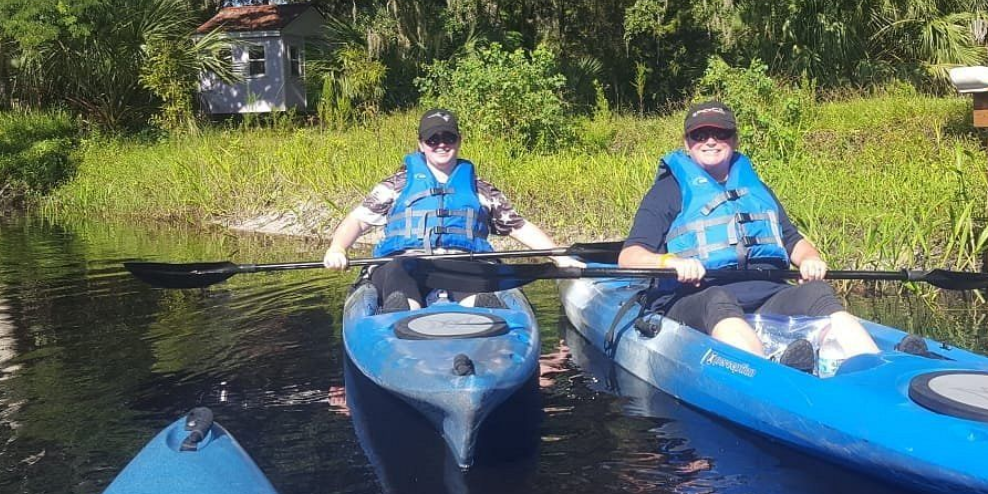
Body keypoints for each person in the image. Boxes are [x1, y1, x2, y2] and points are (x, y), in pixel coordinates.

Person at [618, 100, 880, 373]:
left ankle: (872, 370)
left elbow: (791, 239)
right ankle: (768, 374)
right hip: (698, 299)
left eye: (721, 134)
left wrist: (809, 258)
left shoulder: (755, 189)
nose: (710, 141)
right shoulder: (668, 191)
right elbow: (630, 255)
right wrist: (669, 263)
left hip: (767, 296)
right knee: (717, 299)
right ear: (687, 143)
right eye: (700, 135)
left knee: (817, 292)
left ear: (735, 140)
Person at [323, 108, 568, 311]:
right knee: (399, 271)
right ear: (421, 144)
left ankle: (484, 315)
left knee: (476, 280)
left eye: (448, 138)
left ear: (459, 141)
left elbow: (519, 227)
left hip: (464, 264)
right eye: (433, 139)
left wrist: (560, 256)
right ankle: (403, 317)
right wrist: (338, 247)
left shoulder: (480, 189)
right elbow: (357, 220)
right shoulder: (395, 185)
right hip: (406, 264)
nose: (441, 144)